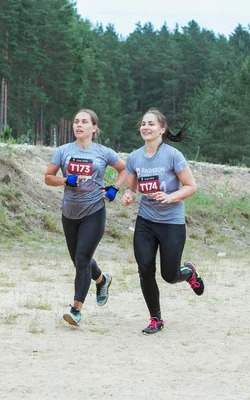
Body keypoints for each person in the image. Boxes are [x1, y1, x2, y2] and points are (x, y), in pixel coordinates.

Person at [121, 108, 205, 335]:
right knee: (145, 268)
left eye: (151, 124)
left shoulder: (173, 155)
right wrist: (129, 195)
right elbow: (132, 187)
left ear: (162, 129)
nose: (145, 128)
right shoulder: (134, 158)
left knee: (169, 275)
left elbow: (191, 186)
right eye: (143, 124)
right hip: (146, 222)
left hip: (171, 223)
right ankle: (155, 318)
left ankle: (189, 273)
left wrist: (170, 197)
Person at [44, 109, 127, 327]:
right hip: (69, 213)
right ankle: (102, 280)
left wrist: (114, 189)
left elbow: (125, 170)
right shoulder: (63, 151)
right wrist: (65, 181)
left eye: (84, 122)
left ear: (94, 128)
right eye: (76, 122)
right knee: (79, 261)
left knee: (81, 259)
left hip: (94, 212)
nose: (78, 125)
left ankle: (76, 310)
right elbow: (48, 178)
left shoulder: (104, 152)